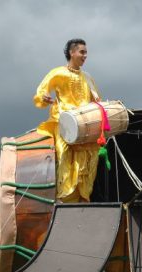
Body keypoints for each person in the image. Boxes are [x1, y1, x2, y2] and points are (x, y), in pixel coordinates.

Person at [34, 38, 101, 203]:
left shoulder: (88, 78)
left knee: (90, 156)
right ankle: (63, 196)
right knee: (64, 154)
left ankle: (83, 196)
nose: (85, 56)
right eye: (82, 52)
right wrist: (44, 98)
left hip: (85, 123)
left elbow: (97, 101)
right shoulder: (58, 73)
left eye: (86, 53)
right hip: (64, 121)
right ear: (72, 52)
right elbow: (41, 93)